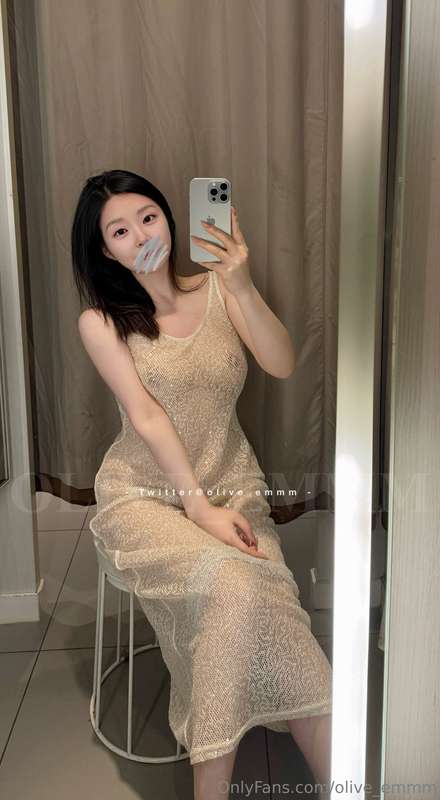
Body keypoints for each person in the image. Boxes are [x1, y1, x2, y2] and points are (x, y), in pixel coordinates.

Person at [72, 169, 332, 799]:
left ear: (169, 217)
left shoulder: (217, 286)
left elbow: (281, 362)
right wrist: (197, 510)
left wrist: (240, 283)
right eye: (120, 231)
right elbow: (146, 416)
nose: (141, 236)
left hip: (232, 484)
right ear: (106, 250)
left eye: (148, 217)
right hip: (145, 494)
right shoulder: (101, 322)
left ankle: (341, 785)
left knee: (248, 593)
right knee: (240, 585)